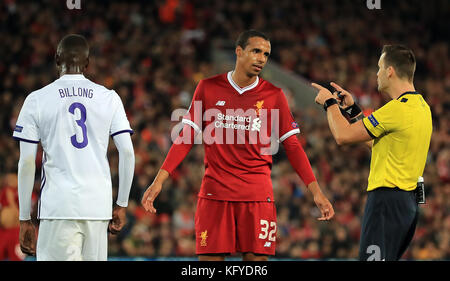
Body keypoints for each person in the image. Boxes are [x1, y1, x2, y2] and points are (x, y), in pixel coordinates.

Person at [142, 30, 334, 261]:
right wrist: (159, 180)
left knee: (255, 264)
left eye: (266, 54)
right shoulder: (208, 87)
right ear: (239, 51)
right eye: (256, 51)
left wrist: (317, 192)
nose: (262, 58)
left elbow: (293, 146)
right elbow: (185, 138)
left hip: (256, 196)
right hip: (215, 195)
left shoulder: (274, 95)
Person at [13, 34, 135, 261]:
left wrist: (23, 218)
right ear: (87, 63)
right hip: (97, 207)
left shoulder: (37, 99)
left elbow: (27, 162)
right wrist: (121, 205)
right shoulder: (109, 98)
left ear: (57, 60)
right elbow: (127, 153)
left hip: (58, 206)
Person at [312, 45, 432, 261]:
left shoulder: (397, 109)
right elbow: (378, 143)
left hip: (386, 201)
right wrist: (351, 110)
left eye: (379, 67)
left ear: (390, 71)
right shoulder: (421, 107)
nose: (376, 73)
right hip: (407, 204)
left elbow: (343, 136)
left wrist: (329, 103)